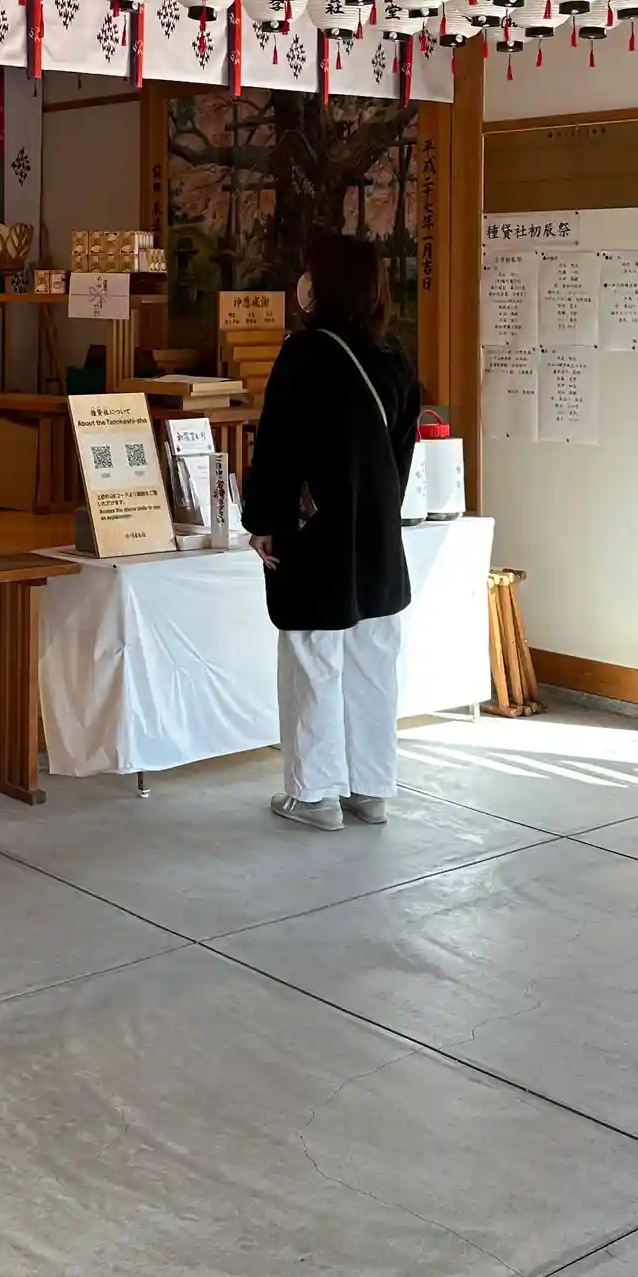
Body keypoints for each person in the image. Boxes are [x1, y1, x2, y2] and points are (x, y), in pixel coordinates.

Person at [242, 232, 421, 831]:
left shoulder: (304, 354)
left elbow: (278, 449)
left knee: (313, 657)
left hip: (317, 536)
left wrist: (264, 521)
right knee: (374, 661)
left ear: (326, 285)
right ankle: (371, 788)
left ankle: (314, 794)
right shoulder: (393, 355)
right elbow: (401, 454)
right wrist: (379, 508)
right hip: (378, 534)